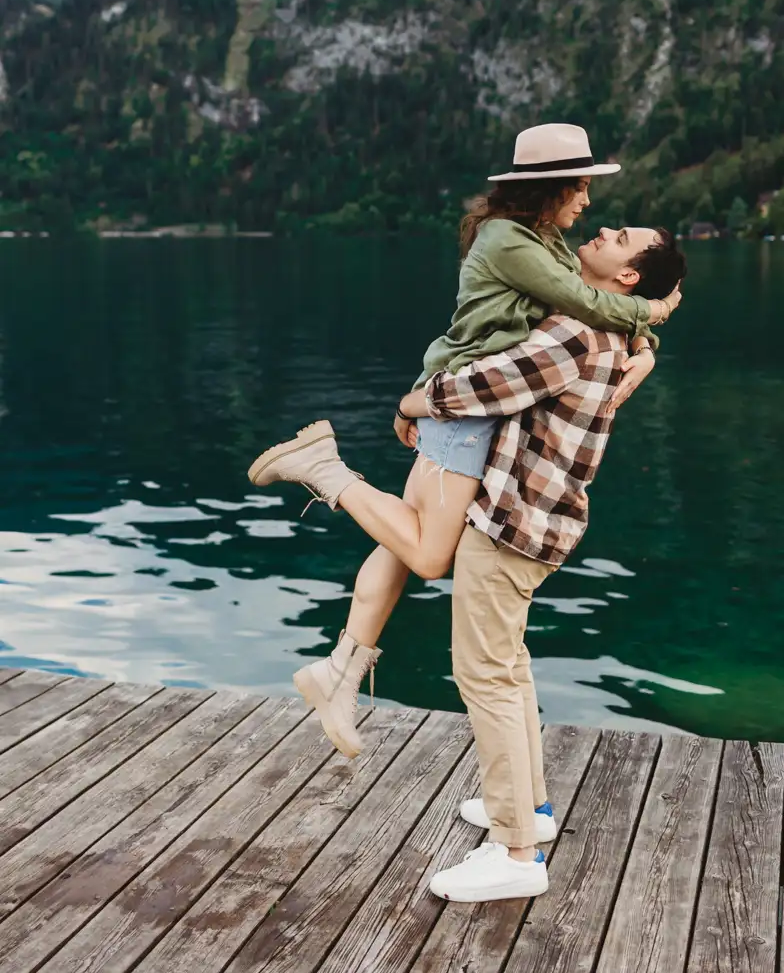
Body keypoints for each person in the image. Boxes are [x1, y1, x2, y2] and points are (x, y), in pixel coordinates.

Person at [247, 125, 680, 753]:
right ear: (552, 188)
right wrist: (657, 314)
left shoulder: (546, 239)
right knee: (428, 557)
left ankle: (339, 672)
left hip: (466, 401)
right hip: (468, 409)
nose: (589, 202)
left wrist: (647, 345)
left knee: (400, 547)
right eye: (581, 187)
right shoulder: (512, 241)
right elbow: (586, 305)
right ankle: (325, 470)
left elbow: (594, 304)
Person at [411, 225, 686, 902]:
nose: (602, 229)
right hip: (539, 522)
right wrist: (650, 335)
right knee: (506, 667)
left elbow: (485, 385)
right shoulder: (604, 327)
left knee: (485, 677)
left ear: (626, 277)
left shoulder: (576, 335)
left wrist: (413, 401)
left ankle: (515, 854)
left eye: (619, 238)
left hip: (512, 523)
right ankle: (528, 809)